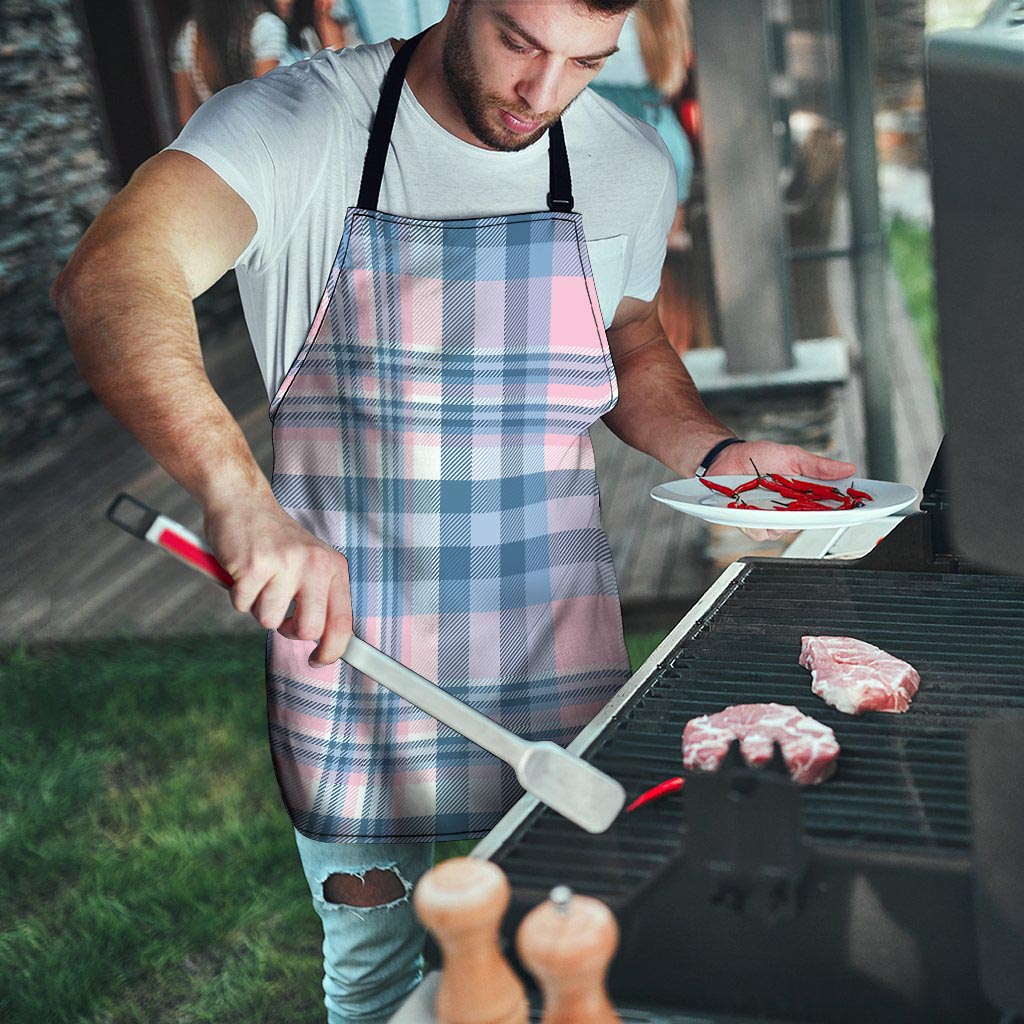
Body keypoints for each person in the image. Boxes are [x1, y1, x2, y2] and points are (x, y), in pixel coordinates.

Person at [52, 2, 856, 1020]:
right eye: (521, 43)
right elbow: (113, 275)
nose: (543, 92)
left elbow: (630, 334)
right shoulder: (300, 126)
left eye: (585, 62)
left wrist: (718, 450)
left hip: (554, 640)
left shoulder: (624, 159)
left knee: (573, 955)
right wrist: (238, 496)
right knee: (380, 978)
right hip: (354, 659)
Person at [170, 0, 289, 127]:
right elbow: (266, 104)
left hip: (215, 138)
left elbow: (187, 117)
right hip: (264, 136)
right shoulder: (265, 27)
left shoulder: (187, 36)